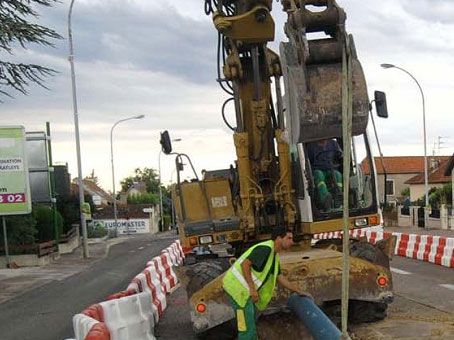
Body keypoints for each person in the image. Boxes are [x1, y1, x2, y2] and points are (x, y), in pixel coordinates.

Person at [222, 226, 312, 340]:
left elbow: (280, 277)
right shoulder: (265, 249)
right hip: (237, 291)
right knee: (246, 329)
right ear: (279, 238)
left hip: (243, 292)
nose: (292, 242)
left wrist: (298, 291)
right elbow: (245, 264)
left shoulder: (273, 256)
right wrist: (252, 289)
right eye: (289, 238)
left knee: (249, 325)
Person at [307, 139, 343, 210]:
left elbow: (341, 155)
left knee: (337, 175)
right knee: (318, 175)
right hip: (319, 169)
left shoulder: (333, 143)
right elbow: (308, 162)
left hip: (331, 169)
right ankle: (325, 198)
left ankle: (338, 196)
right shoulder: (311, 147)